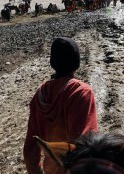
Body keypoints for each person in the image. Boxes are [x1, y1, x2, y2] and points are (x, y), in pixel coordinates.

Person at [23, 37, 98, 174]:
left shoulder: (40, 94)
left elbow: (30, 149)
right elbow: (85, 144)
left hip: (50, 169)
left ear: (53, 62)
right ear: (76, 63)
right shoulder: (81, 92)